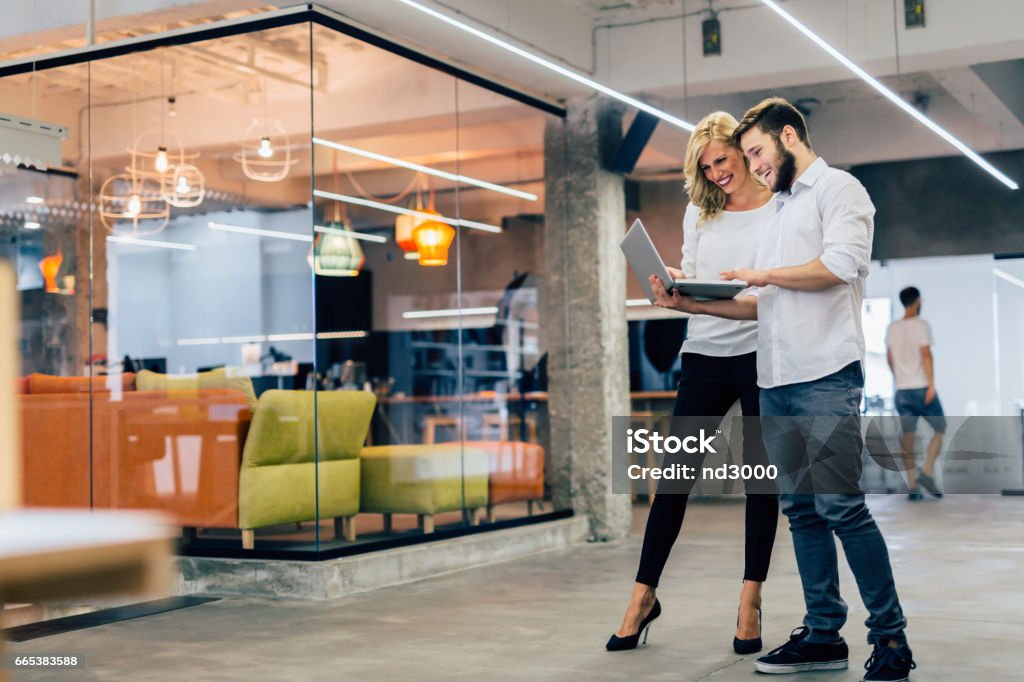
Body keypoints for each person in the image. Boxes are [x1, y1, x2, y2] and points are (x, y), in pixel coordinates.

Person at [648, 97, 915, 682]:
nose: (753, 167)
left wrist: (762, 273)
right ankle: (824, 633)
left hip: (826, 375)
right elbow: (756, 307)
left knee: (842, 507)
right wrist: (684, 302)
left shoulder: (841, 191)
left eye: (757, 153)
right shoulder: (775, 212)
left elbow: (838, 266)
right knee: (800, 512)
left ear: (788, 136)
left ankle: (890, 639)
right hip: (775, 379)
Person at [607, 111, 779, 655]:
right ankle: (642, 597)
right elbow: (692, 271)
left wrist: (693, 296)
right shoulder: (698, 212)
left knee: (760, 482)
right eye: (706, 167)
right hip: (703, 353)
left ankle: (749, 600)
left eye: (722, 161)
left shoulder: (778, 209)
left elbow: (770, 299)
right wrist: (670, 281)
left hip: (759, 355)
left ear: (742, 151)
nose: (716, 174)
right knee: (673, 482)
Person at [887, 286, 946, 500]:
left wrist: (900, 378)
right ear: (917, 300)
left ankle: (913, 486)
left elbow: (890, 359)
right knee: (940, 429)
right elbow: (926, 355)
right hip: (921, 388)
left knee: (908, 440)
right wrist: (931, 385)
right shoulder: (921, 325)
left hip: (902, 391)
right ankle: (926, 473)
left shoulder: (893, 328)